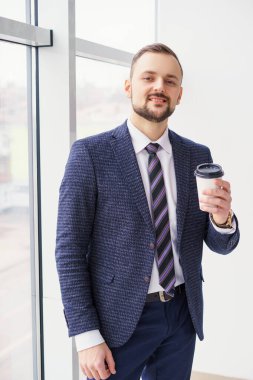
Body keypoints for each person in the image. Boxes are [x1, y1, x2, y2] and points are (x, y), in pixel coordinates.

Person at [55, 43, 240, 380]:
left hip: (182, 314)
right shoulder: (90, 155)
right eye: (149, 77)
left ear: (179, 94)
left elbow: (221, 244)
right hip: (118, 320)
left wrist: (222, 218)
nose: (159, 87)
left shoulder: (197, 155)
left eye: (170, 81)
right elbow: (68, 251)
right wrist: (85, 336)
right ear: (129, 86)